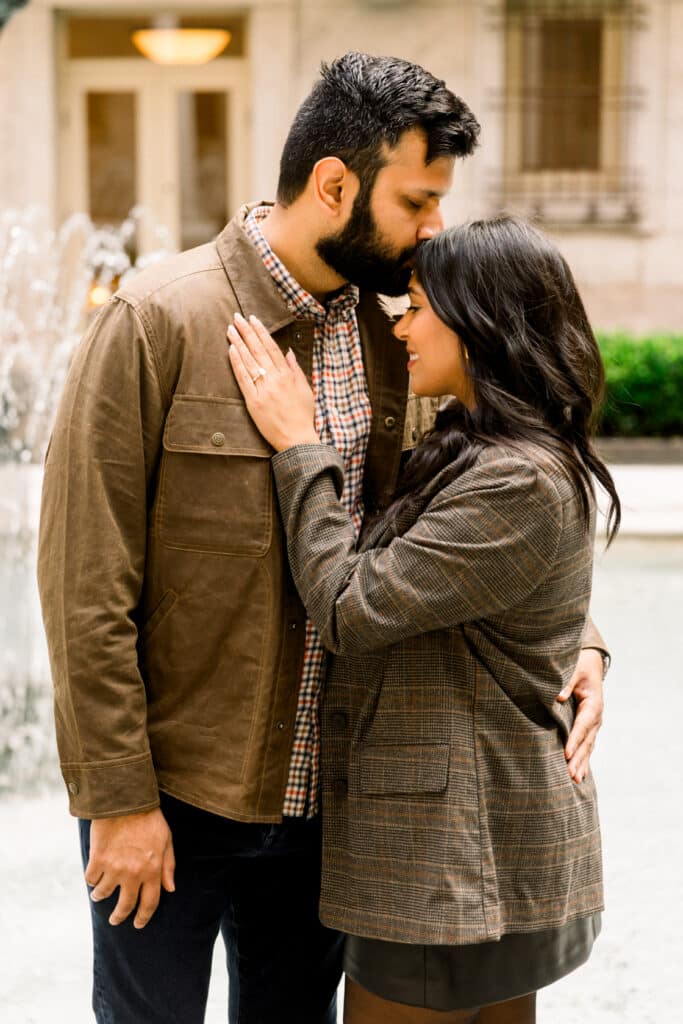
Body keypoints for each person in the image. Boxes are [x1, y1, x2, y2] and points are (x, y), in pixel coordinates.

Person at [37, 52, 608, 1024]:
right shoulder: (156, 321)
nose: (433, 229)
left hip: (335, 809)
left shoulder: (403, 339)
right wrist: (119, 797)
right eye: (417, 201)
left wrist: (579, 637)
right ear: (334, 183)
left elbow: (476, 518)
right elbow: (85, 582)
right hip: (177, 797)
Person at [226, 214, 620, 1024]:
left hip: (451, 862)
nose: (400, 322)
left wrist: (299, 445)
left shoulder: (514, 478)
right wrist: (587, 639)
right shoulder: (484, 443)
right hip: (483, 854)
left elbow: (345, 606)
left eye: (415, 304)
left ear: (480, 322)